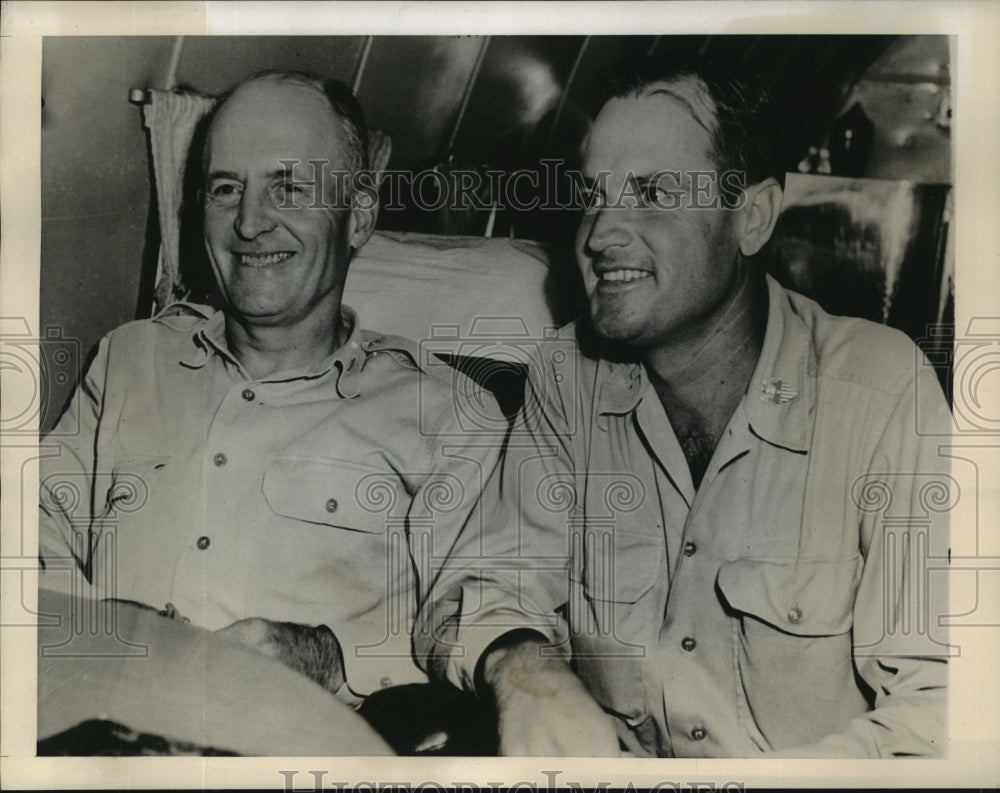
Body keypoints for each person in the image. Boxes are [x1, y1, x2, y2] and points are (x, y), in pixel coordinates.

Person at [415, 56, 953, 757]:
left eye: (651, 193)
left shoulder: (884, 390)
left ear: (751, 218)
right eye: (594, 193)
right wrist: (528, 672)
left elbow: (945, 707)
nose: (601, 233)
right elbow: (485, 584)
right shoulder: (568, 375)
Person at [38, 70, 505, 711]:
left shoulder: (448, 415)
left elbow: (487, 620)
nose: (251, 223)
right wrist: (99, 630)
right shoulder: (129, 358)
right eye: (227, 188)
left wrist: (331, 654)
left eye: (289, 187)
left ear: (359, 216)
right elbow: (30, 525)